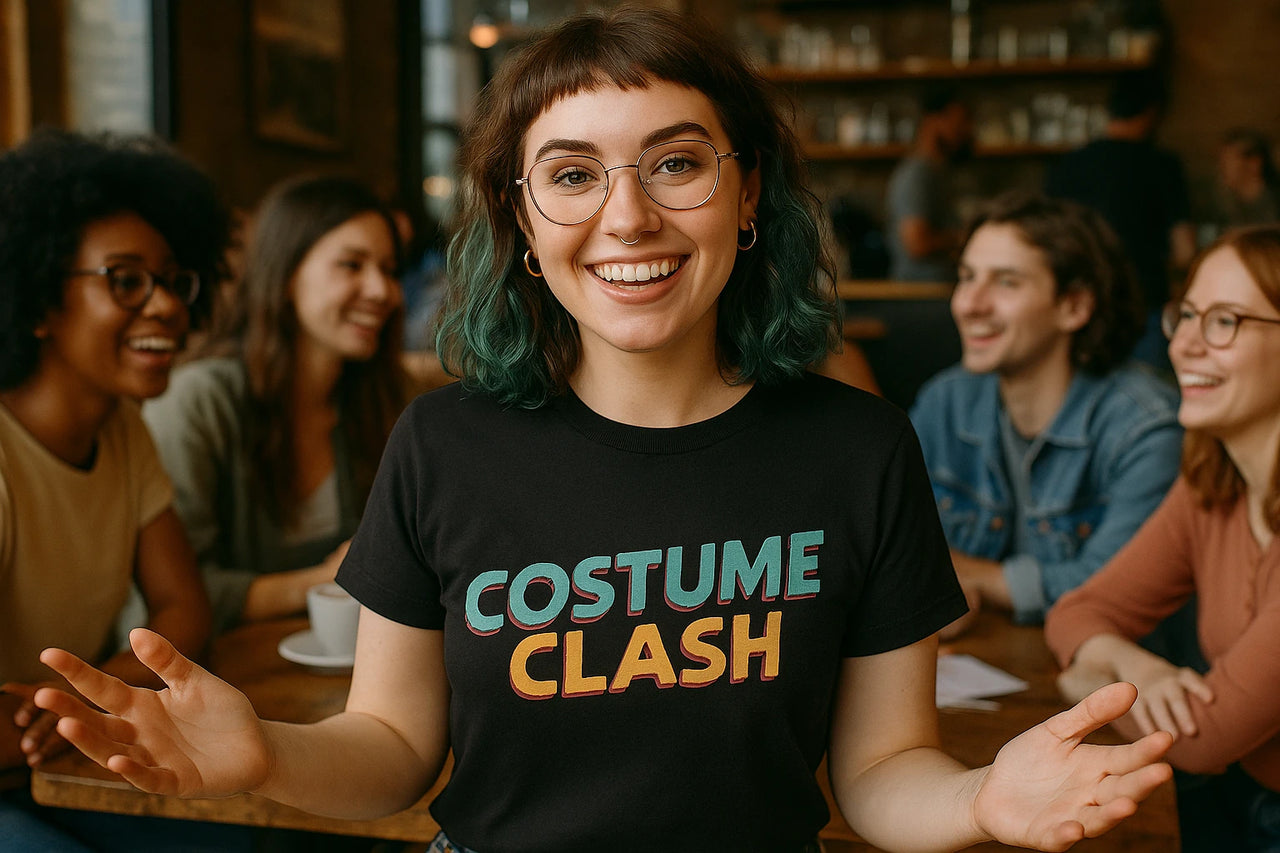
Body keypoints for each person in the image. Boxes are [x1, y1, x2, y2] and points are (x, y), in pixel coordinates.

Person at [34, 10, 1173, 853]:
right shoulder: (443, 445)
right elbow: (390, 747)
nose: (625, 215)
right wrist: (269, 753)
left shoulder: (857, 448)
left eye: (673, 162)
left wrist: (978, 797)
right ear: (521, 221)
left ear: (744, 192)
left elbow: (879, 771)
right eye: (569, 175)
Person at [0, 130, 250, 850]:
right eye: (126, 279)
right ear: (40, 299)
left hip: (62, 753)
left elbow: (185, 606)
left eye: (173, 280)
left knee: (230, 839)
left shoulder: (124, 431)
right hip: (25, 769)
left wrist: (82, 694)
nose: (167, 306)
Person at [1047, 224, 1280, 852]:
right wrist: (1134, 663)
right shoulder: (1213, 481)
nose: (1186, 346)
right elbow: (1078, 611)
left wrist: (1087, 682)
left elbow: (1202, 737)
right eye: (1187, 315)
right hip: (1243, 806)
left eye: (1226, 320)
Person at [137, 175, 409, 634]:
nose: (382, 291)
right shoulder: (197, 401)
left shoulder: (378, 402)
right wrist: (327, 581)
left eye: (388, 268)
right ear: (285, 275)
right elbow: (173, 595)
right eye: (351, 264)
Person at [910, 192, 1182, 636]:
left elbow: (1113, 588)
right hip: (978, 668)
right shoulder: (945, 402)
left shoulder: (1145, 427)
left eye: (1006, 282)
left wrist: (976, 579)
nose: (969, 304)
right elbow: (891, 551)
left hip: (1107, 686)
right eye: (966, 277)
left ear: (1074, 306)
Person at [1045, 70, 1195, 372]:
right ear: (1153, 112)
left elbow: (1047, 241)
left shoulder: (1070, 164)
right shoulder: (1162, 165)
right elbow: (1185, 250)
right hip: (1143, 307)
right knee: (1148, 402)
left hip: (1077, 308)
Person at [884, 87, 973, 282]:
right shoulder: (917, 174)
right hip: (920, 293)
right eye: (959, 122)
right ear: (932, 121)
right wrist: (963, 237)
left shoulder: (937, 172)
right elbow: (917, 243)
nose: (966, 130)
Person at [1213, 128, 1280, 232]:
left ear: (1254, 163)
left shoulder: (1275, 205)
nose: (1221, 168)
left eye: (1228, 161)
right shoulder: (1223, 205)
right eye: (1221, 162)